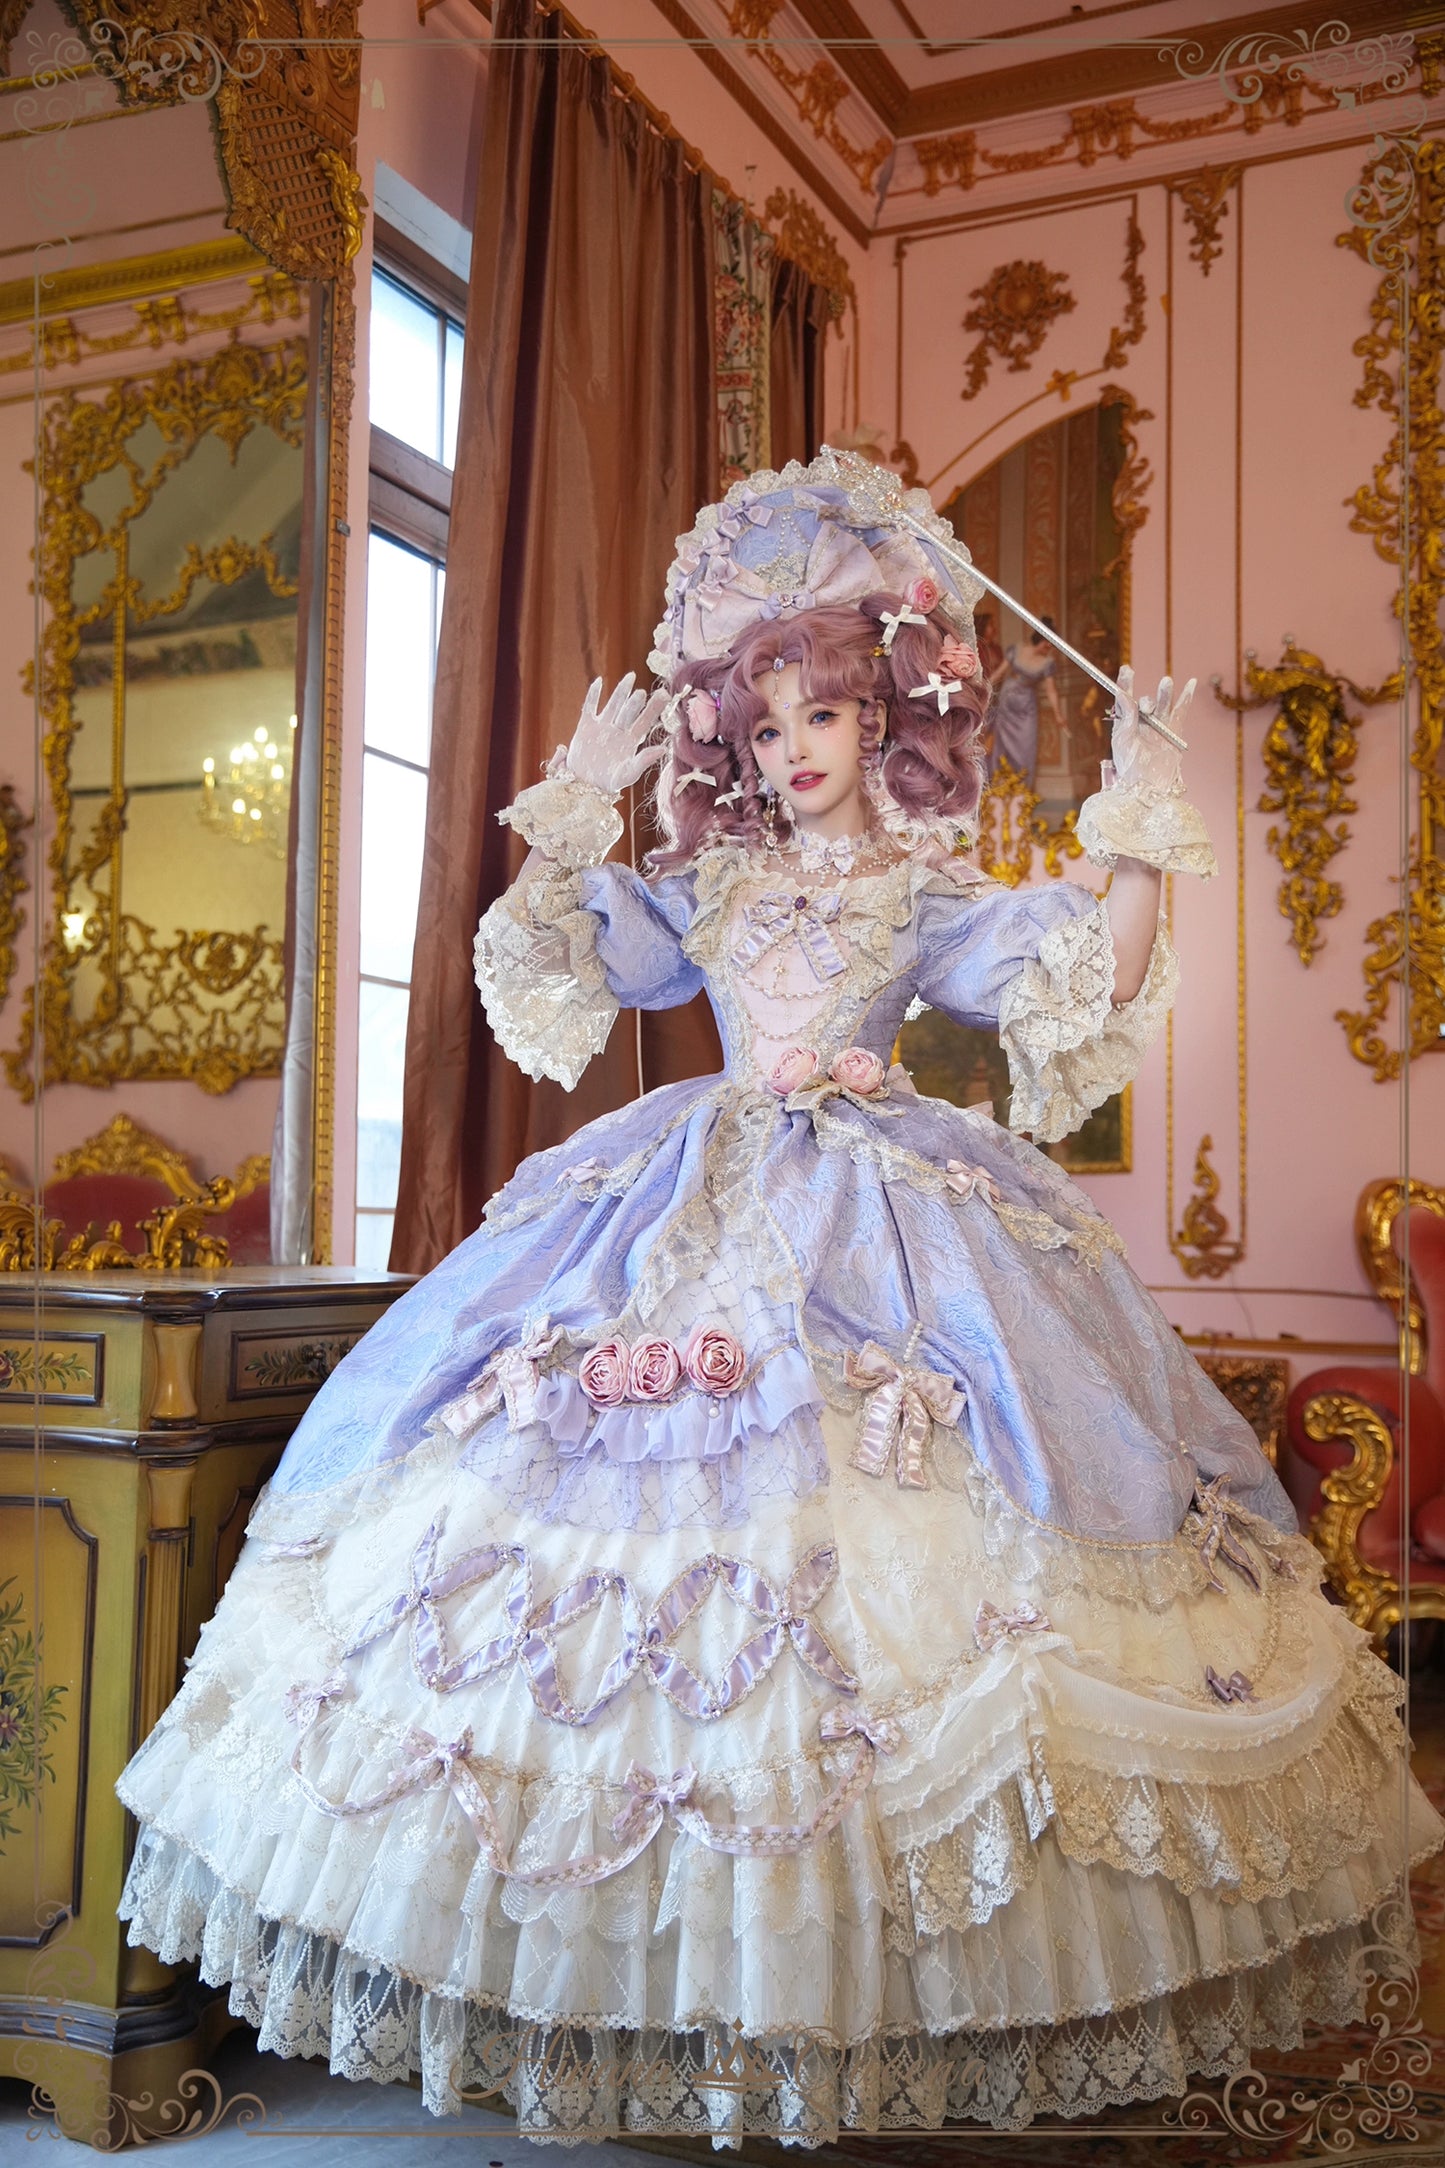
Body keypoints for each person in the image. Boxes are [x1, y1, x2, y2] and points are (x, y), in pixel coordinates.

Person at [116, 450, 1441, 2142]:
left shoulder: (923, 888)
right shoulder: (718, 883)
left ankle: (850, 1983)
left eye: (823, 714)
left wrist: (1139, 826)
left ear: (884, 720)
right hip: (694, 1194)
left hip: (878, 1209)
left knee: (909, 1526)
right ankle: (649, 1975)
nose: (793, 748)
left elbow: (1083, 974)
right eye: (767, 725)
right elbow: (563, 958)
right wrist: (571, 821)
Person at [989, 617, 1065, 787]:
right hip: (1007, 702)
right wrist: (982, 687)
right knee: (1002, 744)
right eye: (1048, 643)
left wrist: (1058, 714)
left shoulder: (1047, 663)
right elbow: (1000, 673)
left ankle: (1023, 790)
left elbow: (1051, 690)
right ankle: (1000, 789)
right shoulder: (1017, 649)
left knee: (1026, 745)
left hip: (1026, 706)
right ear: (1042, 640)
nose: (1049, 648)